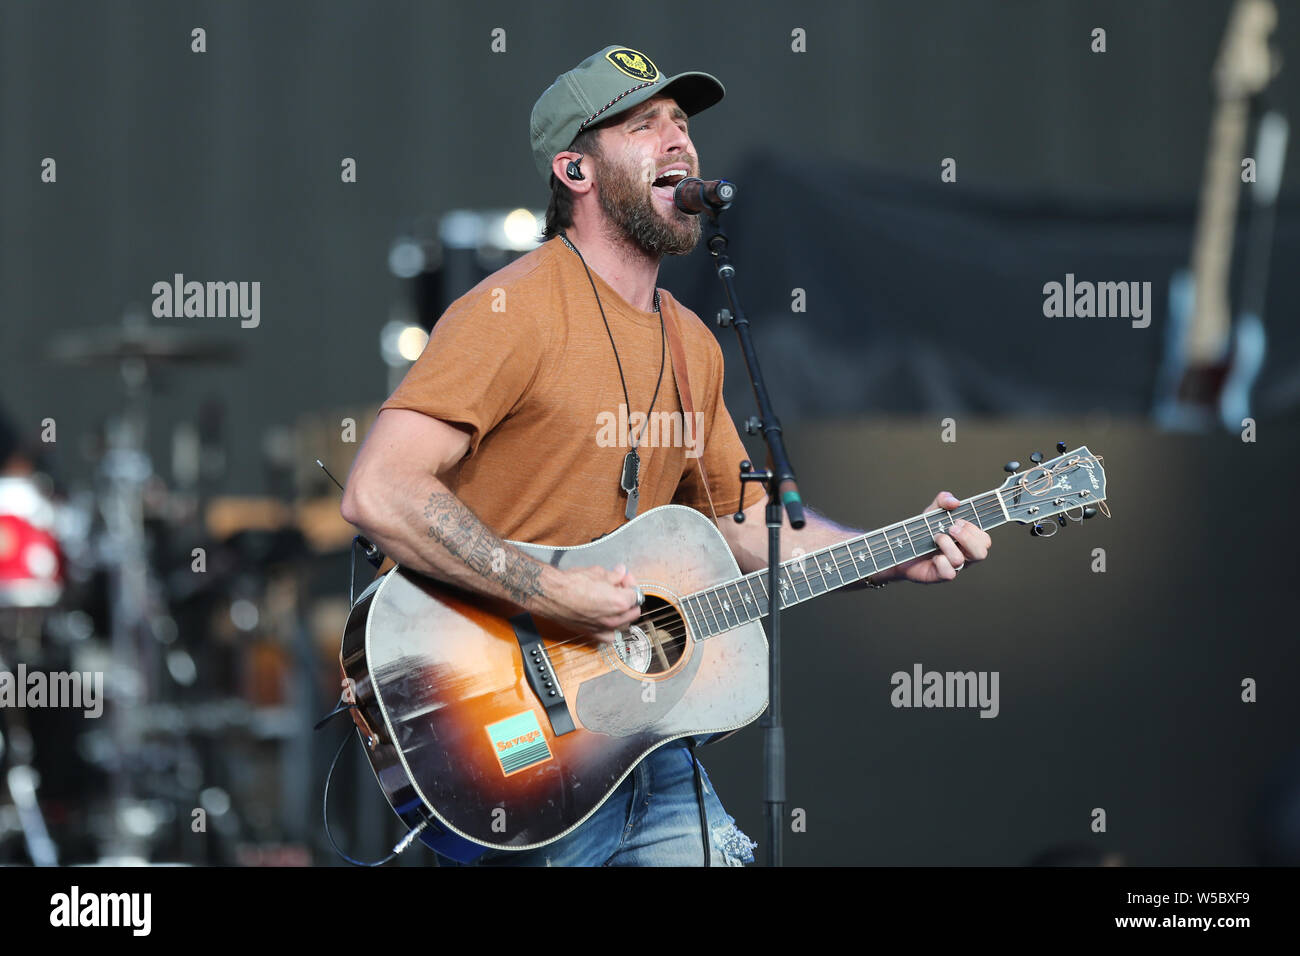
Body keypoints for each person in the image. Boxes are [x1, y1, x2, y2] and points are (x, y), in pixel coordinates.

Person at [340, 44, 992, 866]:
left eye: (681, 123)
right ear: (575, 170)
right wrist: (551, 591)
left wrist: (891, 553)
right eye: (643, 125)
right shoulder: (511, 312)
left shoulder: (692, 342)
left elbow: (741, 519)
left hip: (650, 748)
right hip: (522, 751)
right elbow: (380, 489)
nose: (678, 141)